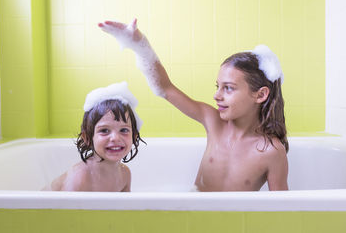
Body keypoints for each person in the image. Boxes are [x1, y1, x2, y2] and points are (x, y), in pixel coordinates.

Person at [98, 19, 289, 191]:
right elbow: (165, 88)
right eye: (218, 86)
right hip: (194, 214)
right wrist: (140, 44)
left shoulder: (271, 151)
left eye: (228, 88)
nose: (217, 95)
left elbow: (282, 207)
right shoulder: (213, 121)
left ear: (261, 94)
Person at [43, 81, 145, 192]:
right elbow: (61, 208)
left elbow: (125, 208)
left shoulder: (125, 174)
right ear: (87, 138)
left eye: (124, 130)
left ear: (134, 136)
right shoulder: (79, 177)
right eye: (104, 130)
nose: (115, 138)